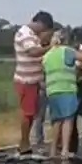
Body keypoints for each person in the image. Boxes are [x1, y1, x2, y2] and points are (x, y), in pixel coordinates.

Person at [13, 11, 54, 156]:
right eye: (43, 28)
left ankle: (25, 143)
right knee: (27, 114)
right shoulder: (26, 34)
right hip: (26, 80)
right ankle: (24, 143)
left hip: (33, 80)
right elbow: (33, 52)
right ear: (40, 24)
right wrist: (50, 47)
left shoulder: (32, 35)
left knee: (31, 114)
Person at [41, 30, 80, 159]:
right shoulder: (67, 51)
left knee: (56, 121)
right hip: (67, 89)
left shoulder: (47, 55)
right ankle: (64, 150)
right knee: (68, 119)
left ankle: (53, 150)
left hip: (52, 91)